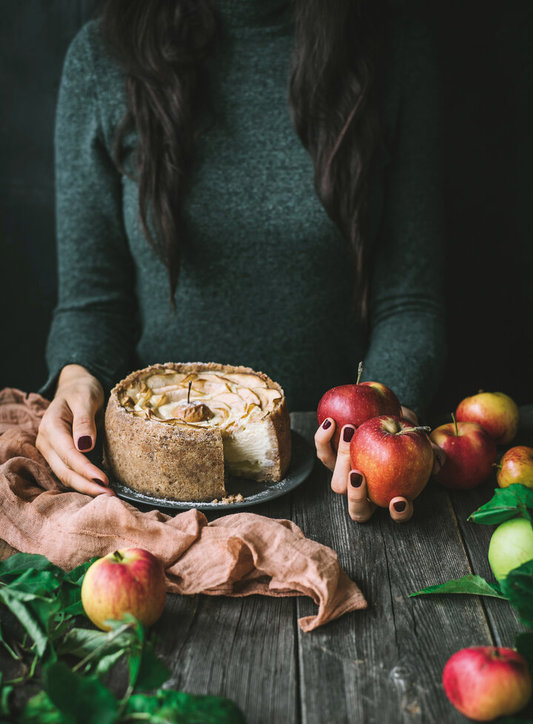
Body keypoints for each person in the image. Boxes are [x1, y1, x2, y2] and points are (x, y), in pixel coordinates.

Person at [36, 0, 446, 522]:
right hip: (149, 495)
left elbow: (410, 303)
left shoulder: (392, 46)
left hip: (333, 485)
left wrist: (384, 430)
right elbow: (93, 303)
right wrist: (78, 375)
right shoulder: (101, 57)